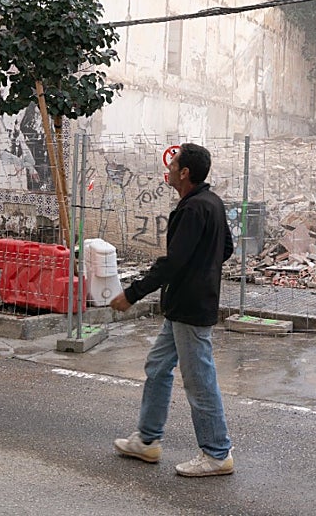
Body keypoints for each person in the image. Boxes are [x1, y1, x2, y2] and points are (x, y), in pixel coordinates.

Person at [110, 142, 235, 477]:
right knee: (158, 365)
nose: (167, 169)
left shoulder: (194, 208)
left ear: (184, 173)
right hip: (184, 303)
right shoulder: (212, 203)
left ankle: (216, 452)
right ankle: (147, 441)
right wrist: (201, 271)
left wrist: (132, 294)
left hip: (190, 307)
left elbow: (173, 262)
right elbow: (226, 248)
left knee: (199, 380)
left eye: (172, 164)